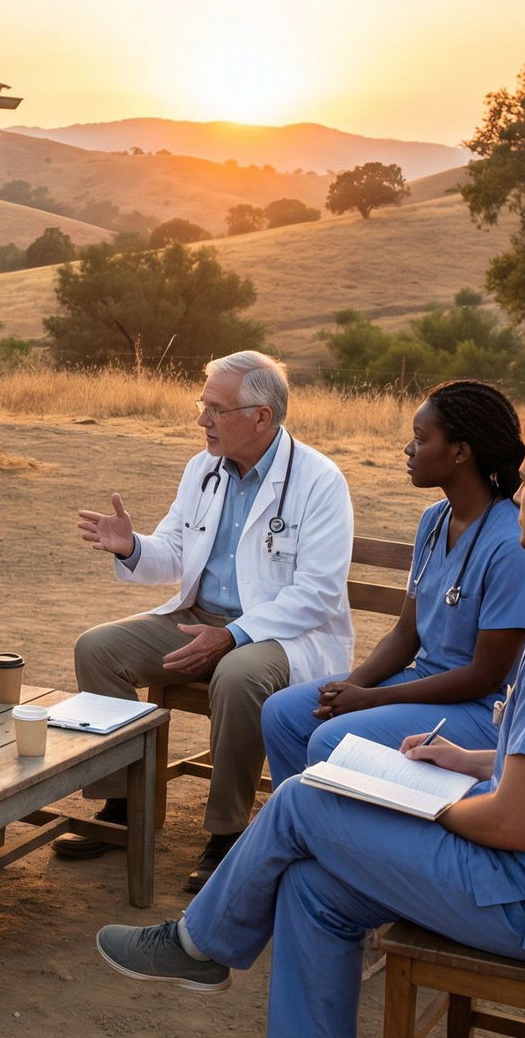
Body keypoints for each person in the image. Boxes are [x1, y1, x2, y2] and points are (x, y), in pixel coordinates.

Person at [95, 404, 525, 1038]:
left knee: (306, 800)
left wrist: (419, 807)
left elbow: (514, 824)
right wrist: (471, 763)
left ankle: (199, 943)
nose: (518, 493)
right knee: (316, 886)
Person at [57, 350, 354, 890]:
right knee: (97, 648)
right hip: (198, 617)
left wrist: (233, 636)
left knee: (238, 676)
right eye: (203, 405)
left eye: (215, 409)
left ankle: (227, 832)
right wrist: (131, 548)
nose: (202, 420)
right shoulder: (203, 469)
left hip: (280, 633)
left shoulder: (319, 481)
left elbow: (318, 594)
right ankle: (123, 808)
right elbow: (175, 550)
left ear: (260, 416)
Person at [260, 380, 525, 783]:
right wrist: (350, 686)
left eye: (419, 439)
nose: (408, 449)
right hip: (420, 683)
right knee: (284, 713)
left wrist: (373, 698)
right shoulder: (434, 521)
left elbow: (485, 675)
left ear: (460, 451)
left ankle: (337, 836)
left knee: (331, 738)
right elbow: (405, 632)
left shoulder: (513, 543)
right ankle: (306, 835)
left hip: (482, 710)